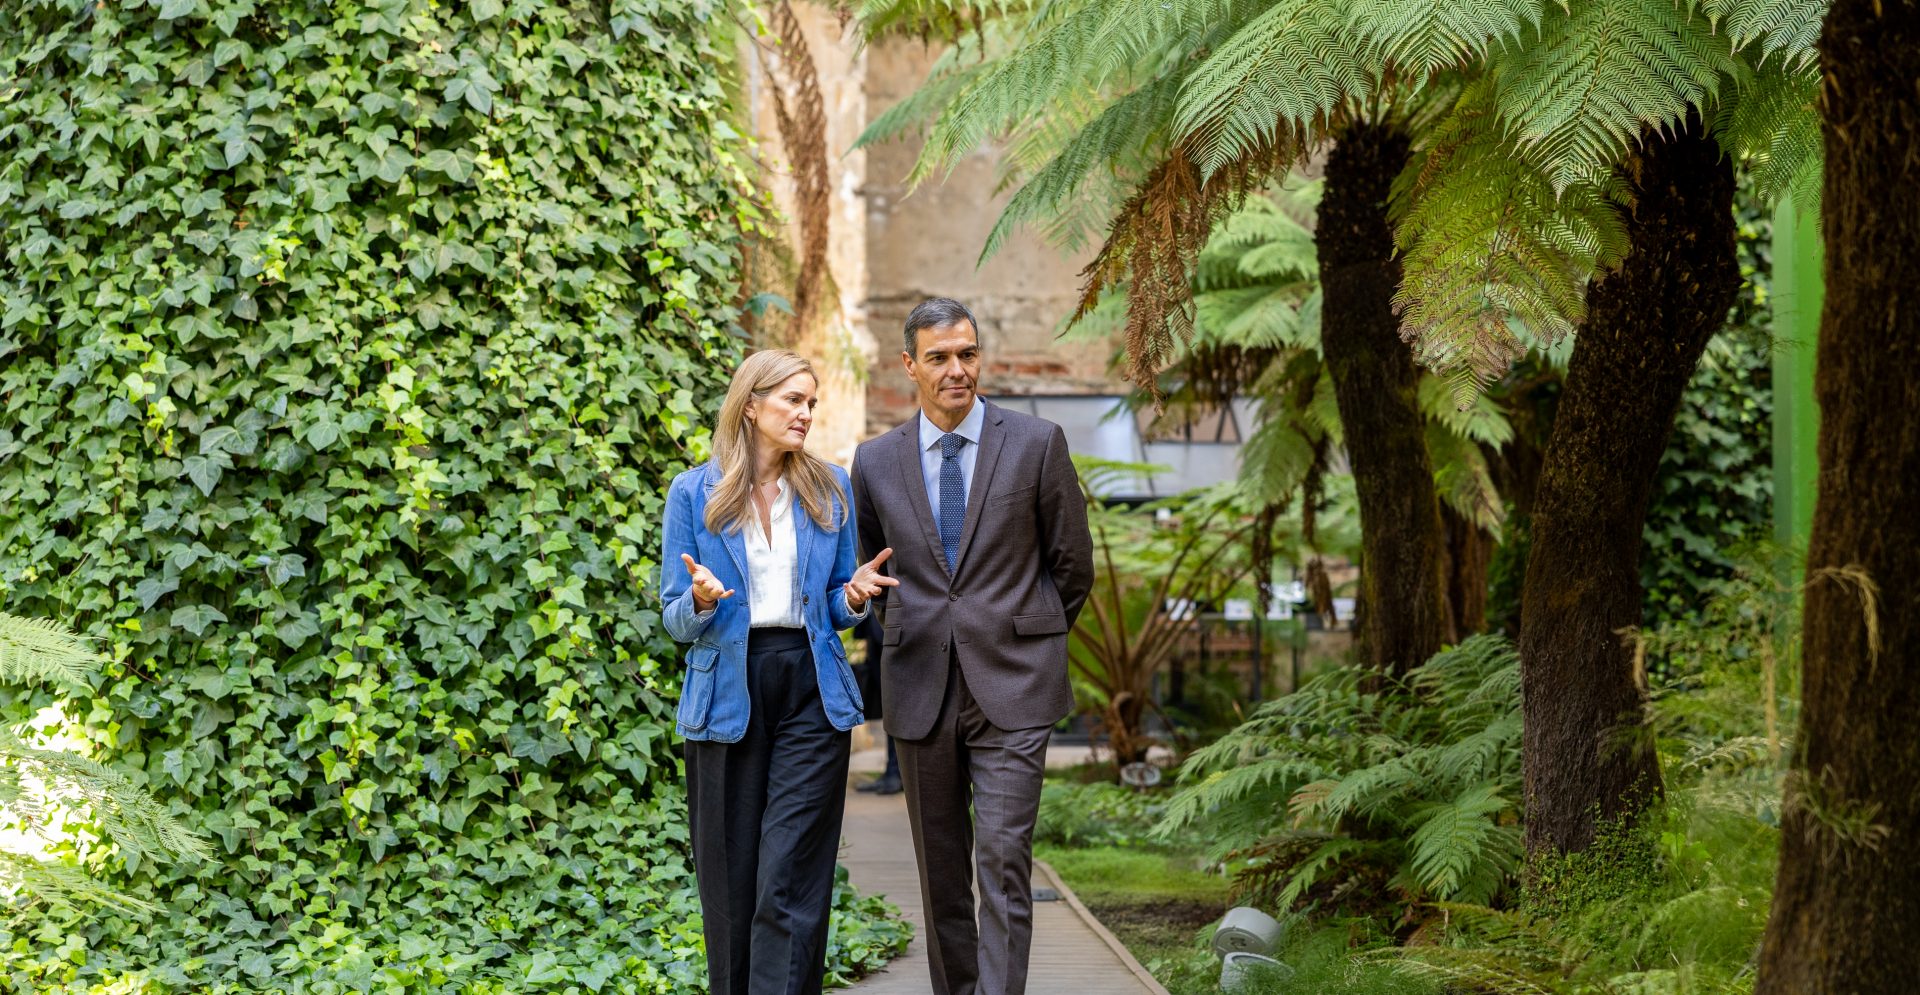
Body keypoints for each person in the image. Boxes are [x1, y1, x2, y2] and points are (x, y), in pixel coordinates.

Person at [850, 298, 1094, 995]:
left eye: (967, 353)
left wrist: (1029, 634)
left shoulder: (1037, 443)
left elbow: (1072, 565)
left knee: (1005, 858)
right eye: (939, 357)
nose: (957, 369)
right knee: (942, 873)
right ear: (909, 366)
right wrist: (918, 627)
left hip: (1016, 686)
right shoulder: (874, 461)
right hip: (921, 686)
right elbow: (877, 566)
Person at [660, 349, 897, 995]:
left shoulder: (830, 485)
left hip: (811, 687)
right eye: (793, 399)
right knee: (730, 879)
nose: (806, 413)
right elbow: (674, 620)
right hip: (726, 691)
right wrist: (701, 601)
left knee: (789, 873)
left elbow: (829, 606)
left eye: (812, 402)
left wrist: (850, 598)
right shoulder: (693, 491)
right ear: (752, 403)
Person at [851, 610, 902, 794]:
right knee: (889, 709)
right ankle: (892, 772)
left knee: (896, 710)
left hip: (894, 634)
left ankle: (895, 774)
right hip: (876, 634)